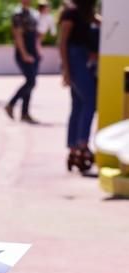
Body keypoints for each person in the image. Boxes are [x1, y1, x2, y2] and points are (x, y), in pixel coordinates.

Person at [59, 0, 100, 173]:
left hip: (84, 57)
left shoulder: (85, 13)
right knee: (90, 101)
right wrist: (66, 70)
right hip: (75, 59)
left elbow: (99, 21)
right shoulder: (70, 13)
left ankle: (73, 146)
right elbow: (63, 43)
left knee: (78, 105)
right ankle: (82, 142)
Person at [5, 0, 41, 124]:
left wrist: (37, 51)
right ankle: (11, 104)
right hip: (24, 52)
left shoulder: (33, 14)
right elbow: (18, 35)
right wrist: (24, 53)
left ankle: (25, 113)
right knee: (31, 81)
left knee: (30, 83)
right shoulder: (18, 14)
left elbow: (36, 34)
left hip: (33, 51)